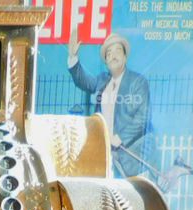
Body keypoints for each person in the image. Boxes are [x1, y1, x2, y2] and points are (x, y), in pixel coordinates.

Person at [67, 31, 156, 179]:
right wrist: (72, 58)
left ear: (125, 56)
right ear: (106, 61)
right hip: (104, 156)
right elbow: (83, 81)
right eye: (109, 54)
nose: (113, 56)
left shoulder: (138, 82)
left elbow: (143, 116)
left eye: (117, 51)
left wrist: (121, 137)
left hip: (130, 159)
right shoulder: (102, 80)